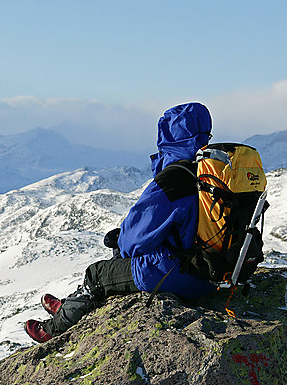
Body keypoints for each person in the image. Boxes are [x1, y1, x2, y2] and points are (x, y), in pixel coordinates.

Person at [24, 102, 216, 343]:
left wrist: (120, 239)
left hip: (185, 273)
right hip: (216, 270)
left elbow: (134, 241)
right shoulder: (212, 172)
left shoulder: (175, 179)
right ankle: (73, 303)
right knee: (115, 270)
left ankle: (55, 327)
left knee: (98, 273)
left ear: (168, 135)